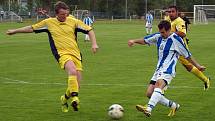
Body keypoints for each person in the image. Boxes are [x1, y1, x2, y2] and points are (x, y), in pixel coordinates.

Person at [6, 1, 99, 112]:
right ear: (56, 14)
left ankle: (64, 99)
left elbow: (89, 30)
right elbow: (31, 28)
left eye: (66, 14)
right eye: (62, 14)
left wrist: (94, 43)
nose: (65, 16)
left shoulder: (73, 21)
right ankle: (75, 98)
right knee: (72, 72)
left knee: (77, 85)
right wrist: (15, 31)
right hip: (61, 54)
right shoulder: (48, 23)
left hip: (76, 54)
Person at [128, 20, 206, 117]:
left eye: (163, 32)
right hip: (159, 69)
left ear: (169, 30)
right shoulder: (158, 36)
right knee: (149, 93)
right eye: (160, 32)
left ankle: (148, 108)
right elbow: (145, 40)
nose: (161, 34)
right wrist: (133, 41)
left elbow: (187, 55)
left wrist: (198, 66)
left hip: (168, 69)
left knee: (158, 85)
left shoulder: (176, 39)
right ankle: (174, 106)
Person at [167, 5, 210, 90]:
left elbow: (183, 33)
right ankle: (159, 91)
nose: (171, 13)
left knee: (188, 67)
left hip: (180, 47)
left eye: (173, 11)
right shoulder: (167, 20)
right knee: (166, 67)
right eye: (169, 12)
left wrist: (170, 33)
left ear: (177, 12)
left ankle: (205, 79)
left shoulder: (179, 21)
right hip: (170, 48)